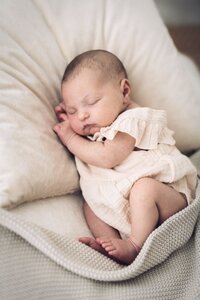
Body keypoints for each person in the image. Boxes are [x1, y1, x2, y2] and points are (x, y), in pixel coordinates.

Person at [53, 49, 197, 265]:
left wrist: (72, 139)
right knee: (90, 204)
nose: (82, 115)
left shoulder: (132, 120)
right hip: (129, 205)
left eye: (91, 102)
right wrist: (73, 122)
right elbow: (93, 144)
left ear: (124, 91)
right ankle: (111, 244)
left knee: (144, 189)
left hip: (168, 197)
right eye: (72, 110)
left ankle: (134, 245)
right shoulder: (96, 129)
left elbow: (107, 156)